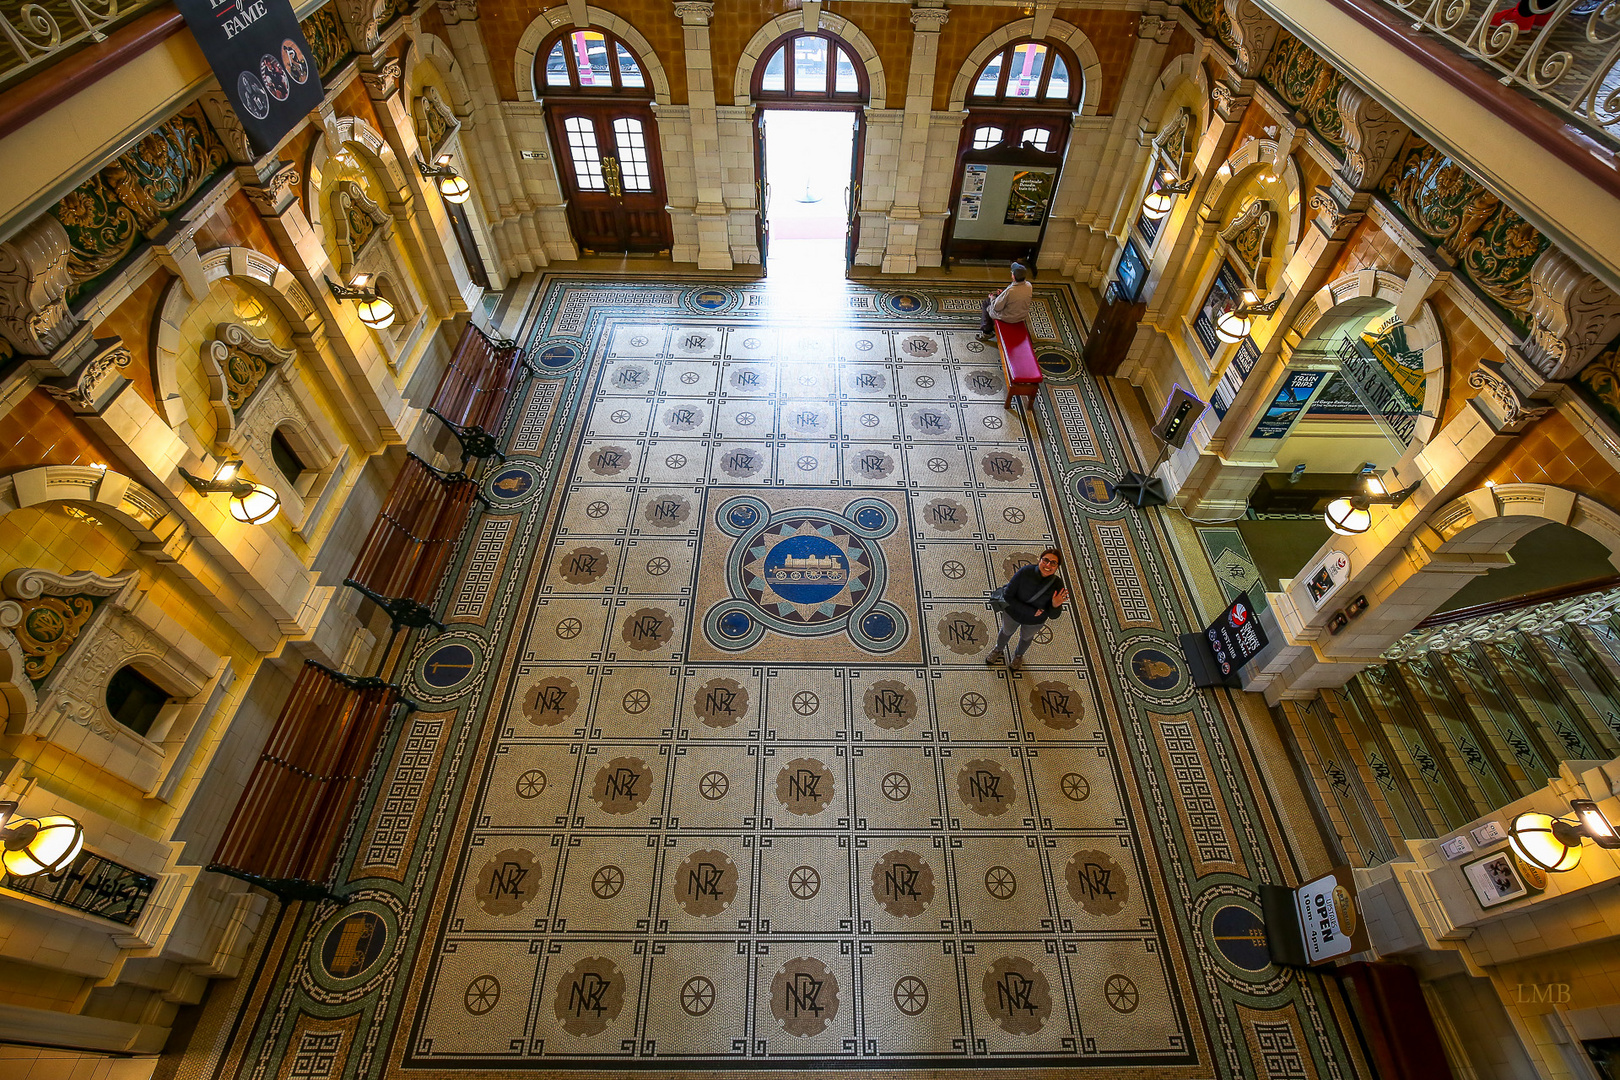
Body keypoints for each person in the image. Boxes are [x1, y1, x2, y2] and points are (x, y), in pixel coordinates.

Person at [986, 547, 1069, 670]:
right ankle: (998, 649)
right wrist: (1031, 611)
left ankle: (1018, 656)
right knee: (1006, 632)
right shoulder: (1025, 572)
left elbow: (1053, 615)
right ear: (1040, 560)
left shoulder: (1057, 585)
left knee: (1026, 638)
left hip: (1034, 622)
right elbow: (1008, 596)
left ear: (1057, 567)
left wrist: (1055, 605)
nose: (1048, 565)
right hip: (1012, 613)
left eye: (1053, 563)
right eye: (1045, 560)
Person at [979, 262, 1034, 341]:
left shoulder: (1010, 291)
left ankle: (986, 332)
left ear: (1014, 276)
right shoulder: (1029, 285)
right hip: (1021, 316)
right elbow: (1016, 297)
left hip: (1008, 318)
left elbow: (997, 307)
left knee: (986, 303)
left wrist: (992, 298)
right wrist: (1002, 295)